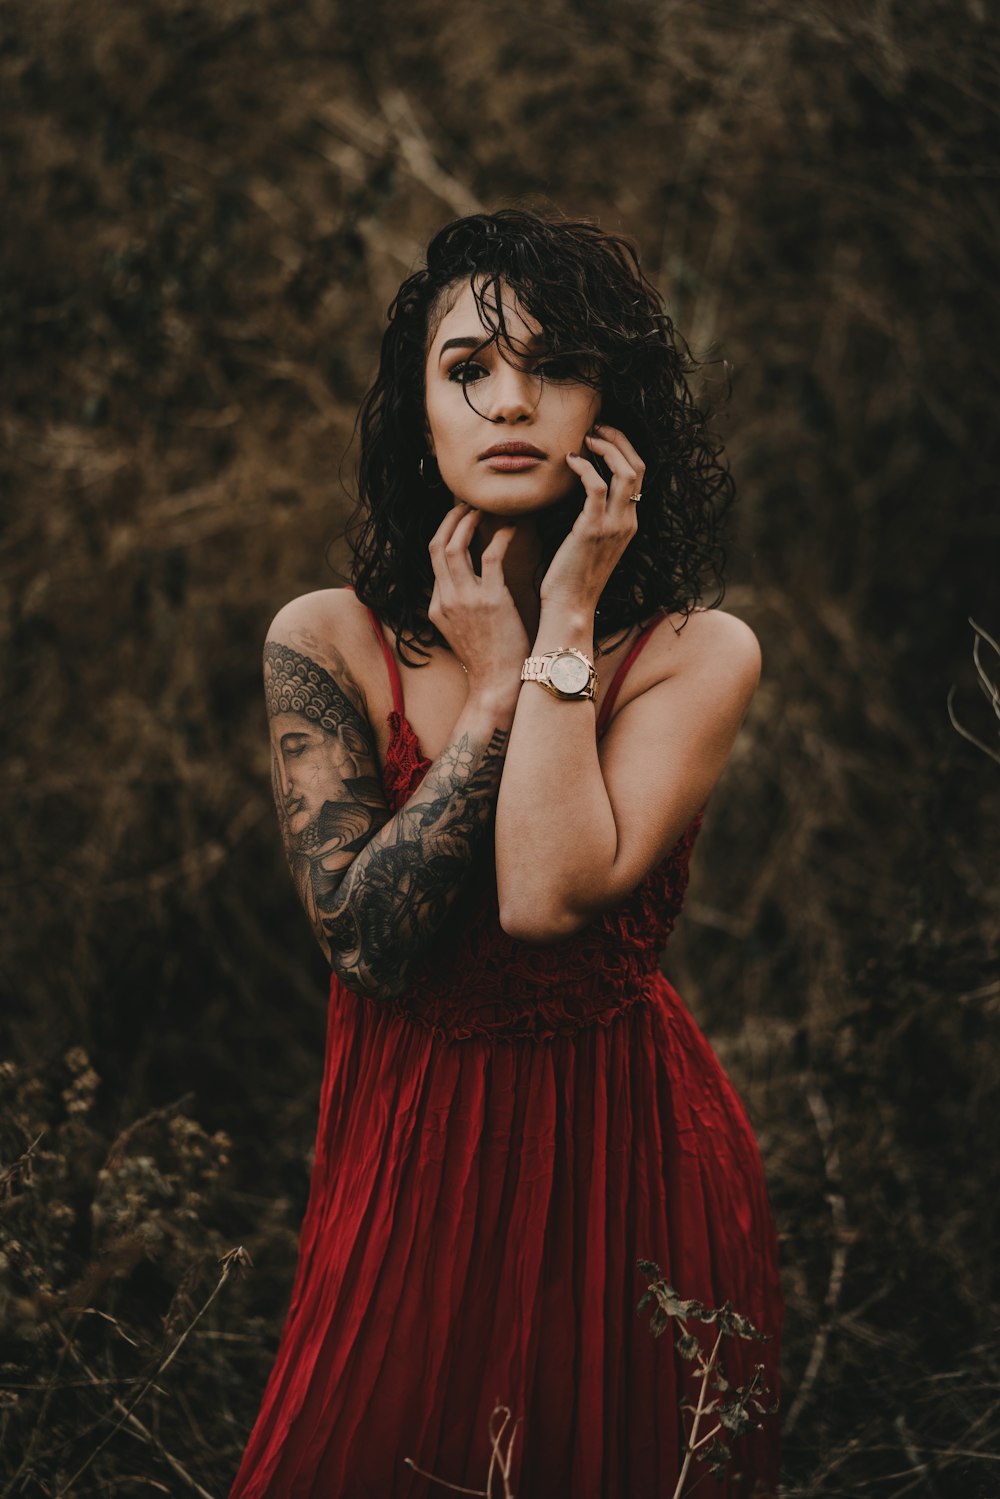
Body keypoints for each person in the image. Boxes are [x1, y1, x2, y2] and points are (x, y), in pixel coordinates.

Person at [230, 209, 783, 1498]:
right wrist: (483, 702)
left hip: (633, 1177)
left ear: (615, 406)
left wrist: (566, 617)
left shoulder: (699, 655)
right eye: (469, 367)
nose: (509, 401)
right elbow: (366, 939)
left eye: (555, 365)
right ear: (419, 413)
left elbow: (544, 898)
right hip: (411, 1162)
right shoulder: (327, 641)